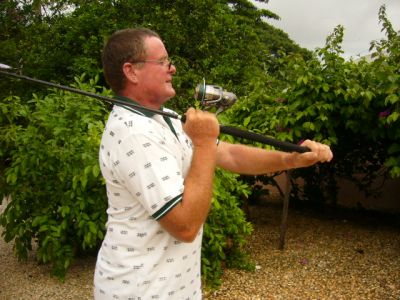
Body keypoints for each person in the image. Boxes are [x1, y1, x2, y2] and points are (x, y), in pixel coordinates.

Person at [93, 28, 333, 300]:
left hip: (174, 289)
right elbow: (185, 226)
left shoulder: (164, 117)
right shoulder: (133, 133)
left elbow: (228, 154)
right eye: (162, 61)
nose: (172, 68)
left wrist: (291, 159)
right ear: (131, 71)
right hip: (141, 291)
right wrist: (205, 142)